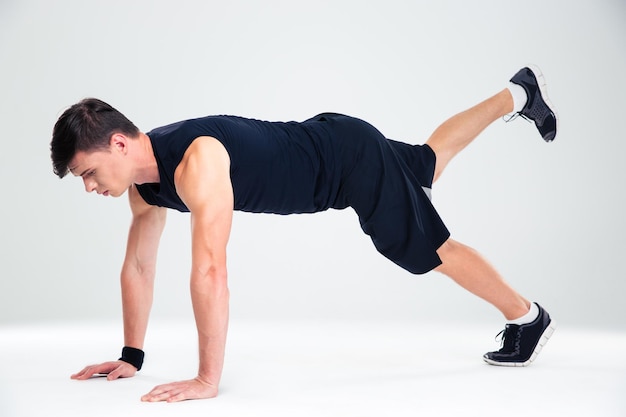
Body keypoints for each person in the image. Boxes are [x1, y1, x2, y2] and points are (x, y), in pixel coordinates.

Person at [50, 65, 557, 403]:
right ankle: (519, 92)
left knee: (426, 250)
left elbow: (210, 270)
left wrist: (208, 380)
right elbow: (139, 266)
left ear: (118, 144)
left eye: (88, 172)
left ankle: (528, 317)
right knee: (426, 162)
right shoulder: (145, 185)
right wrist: (132, 356)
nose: (90, 186)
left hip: (348, 162)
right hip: (334, 137)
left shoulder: (195, 162)